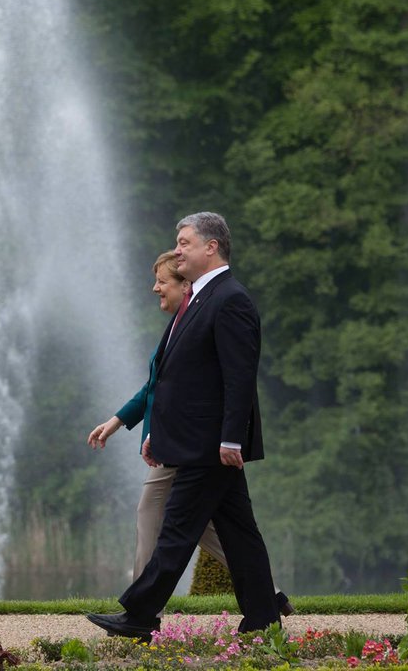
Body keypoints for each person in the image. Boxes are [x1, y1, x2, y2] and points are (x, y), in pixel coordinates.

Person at [87, 212, 280, 640]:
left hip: (209, 444)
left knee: (175, 532)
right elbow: (176, 380)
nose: (177, 250)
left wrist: (232, 437)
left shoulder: (230, 299)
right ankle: (264, 616)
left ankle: (139, 614)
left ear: (211, 247)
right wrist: (160, 431)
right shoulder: (199, 300)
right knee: (239, 533)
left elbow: (239, 376)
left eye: (184, 242)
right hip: (197, 441)